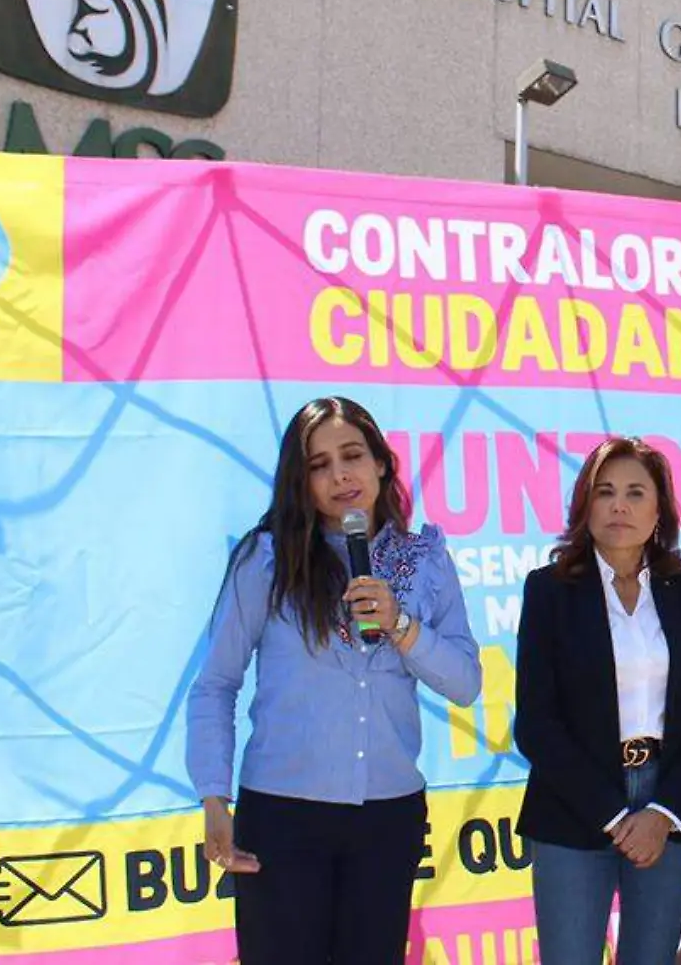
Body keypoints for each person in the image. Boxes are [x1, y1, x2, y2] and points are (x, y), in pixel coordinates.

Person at [186, 396, 484, 963]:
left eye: (352, 455)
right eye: (319, 465)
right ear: (301, 482)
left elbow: (465, 683)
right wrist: (213, 798)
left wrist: (400, 623)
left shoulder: (424, 561)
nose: (340, 475)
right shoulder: (268, 561)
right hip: (283, 814)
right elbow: (216, 683)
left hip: (387, 816)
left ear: (381, 463)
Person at [513, 436, 681, 965]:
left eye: (636, 492)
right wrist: (613, 815)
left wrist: (661, 812)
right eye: (604, 492)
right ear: (584, 505)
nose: (619, 505)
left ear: (660, 509)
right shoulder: (549, 590)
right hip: (574, 805)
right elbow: (536, 723)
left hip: (667, 804)